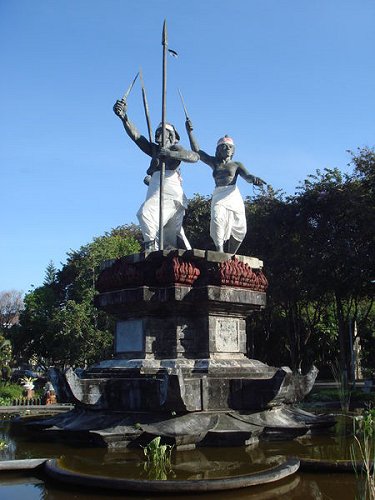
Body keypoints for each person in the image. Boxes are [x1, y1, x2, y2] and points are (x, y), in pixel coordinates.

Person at [113, 99, 199, 250]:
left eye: (163, 133)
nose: (159, 135)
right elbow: (137, 137)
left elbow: (194, 157)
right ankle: (163, 249)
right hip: (155, 189)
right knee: (169, 234)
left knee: (145, 214)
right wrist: (124, 117)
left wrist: (171, 153)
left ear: (172, 136)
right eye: (157, 133)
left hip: (170, 192)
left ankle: (151, 247)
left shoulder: (176, 148)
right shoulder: (154, 150)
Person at [186, 119, 265, 253]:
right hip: (219, 195)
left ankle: (231, 254)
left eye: (230, 147)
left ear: (233, 150)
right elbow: (197, 151)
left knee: (240, 227)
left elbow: (247, 176)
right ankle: (220, 251)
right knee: (217, 219)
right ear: (218, 150)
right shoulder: (214, 162)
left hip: (233, 195)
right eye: (224, 146)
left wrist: (254, 179)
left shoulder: (236, 165)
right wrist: (190, 132)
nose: (227, 149)